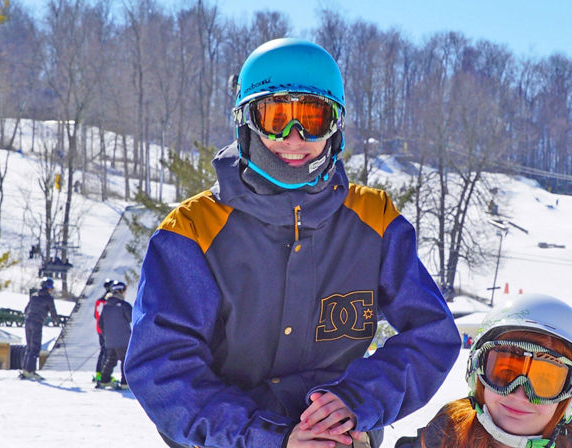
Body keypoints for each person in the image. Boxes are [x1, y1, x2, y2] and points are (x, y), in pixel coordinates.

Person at [125, 38, 461, 448]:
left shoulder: (374, 221)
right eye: (277, 117)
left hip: (342, 438)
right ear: (246, 120)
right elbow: (163, 366)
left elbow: (432, 332)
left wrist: (357, 400)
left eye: (313, 119)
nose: (295, 137)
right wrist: (269, 438)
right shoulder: (193, 231)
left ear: (335, 127)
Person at [395, 294, 572, 448]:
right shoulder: (440, 437)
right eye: (505, 373)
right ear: (477, 371)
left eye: (544, 382)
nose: (520, 395)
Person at [20, 277, 60, 380]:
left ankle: (25, 370)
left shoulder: (34, 296)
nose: (51, 289)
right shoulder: (48, 298)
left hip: (28, 322)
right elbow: (53, 313)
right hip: (37, 323)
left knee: (29, 347)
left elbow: (26, 310)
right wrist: (58, 321)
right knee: (35, 348)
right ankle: (30, 371)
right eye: (51, 287)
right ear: (47, 287)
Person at [97, 280, 132, 389]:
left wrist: (106, 335)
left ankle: (104, 380)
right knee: (125, 360)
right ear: (121, 291)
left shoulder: (106, 306)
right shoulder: (124, 305)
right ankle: (125, 382)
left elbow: (100, 323)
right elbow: (132, 318)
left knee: (111, 360)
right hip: (123, 339)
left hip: (109, 340)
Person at [92, 279, 114, 382]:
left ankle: (99, 373)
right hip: (107, 330)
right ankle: (104, 375)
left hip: (100, 329)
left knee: (103, 351)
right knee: (107, 352)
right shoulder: (107, 302)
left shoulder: (99, 301)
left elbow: (96, 316)